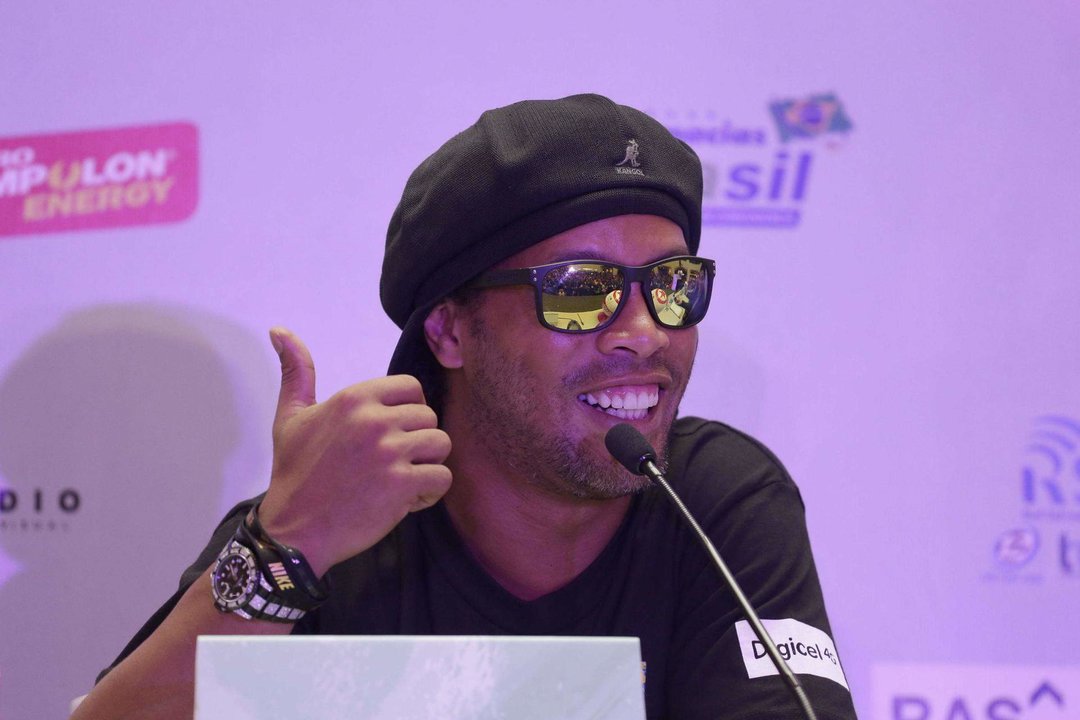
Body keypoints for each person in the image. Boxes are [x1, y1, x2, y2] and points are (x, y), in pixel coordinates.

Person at [72, 94, 857, 720]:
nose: (644, 333)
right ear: (449, 329)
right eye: (581, 291)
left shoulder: (717, 497)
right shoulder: (332, 519)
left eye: (672, 286)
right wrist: (288, 547)